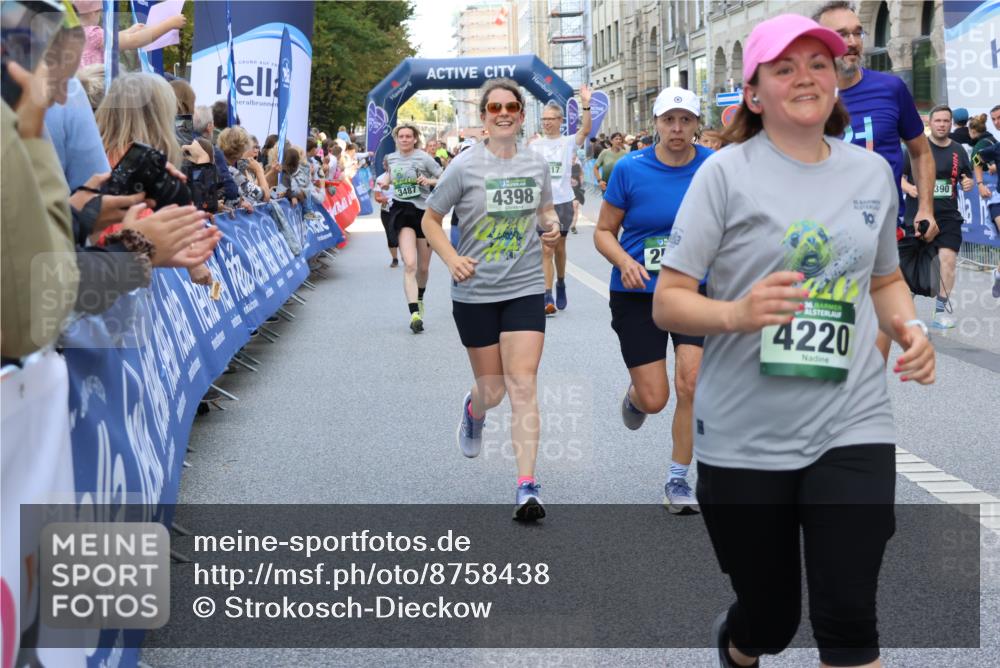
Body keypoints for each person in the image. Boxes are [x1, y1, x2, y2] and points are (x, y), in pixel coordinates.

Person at [652, 15, 935, 668]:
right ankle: (740, 641)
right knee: (772, 620)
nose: (807, 76)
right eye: (785, 67)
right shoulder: (723, 175)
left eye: (819, 63)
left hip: (852, 423)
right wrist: (739, 313)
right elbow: (669, 301)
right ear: (754, 94)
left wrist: (909, 327)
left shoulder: (870, 174)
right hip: (745, 435)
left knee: (849, 618)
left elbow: (886, 280)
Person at [421, 79, 560, 521]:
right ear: (483, 117)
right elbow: (430, 219)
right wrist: (450, 259)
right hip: (475, 292)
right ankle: (474, 409)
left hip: (522, 287)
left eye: (512, 107)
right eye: (494, 107)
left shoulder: (536, 165)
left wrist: (551, 225)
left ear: (522, 116)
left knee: (522, 384)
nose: (503, 113)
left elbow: (545, 211)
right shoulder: (463, 167)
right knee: (494, 390)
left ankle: (526, 486)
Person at [593, 87, 713, 514]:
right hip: (637, 291)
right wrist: (624, 260)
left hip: (693, 289)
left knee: (692, 382)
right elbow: (604, 232)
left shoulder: (714, 167)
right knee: (657, 398)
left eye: (685, 120)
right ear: (656, 123)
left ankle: (678, 480)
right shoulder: (630, 168)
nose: (677, 129)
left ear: (697, 124)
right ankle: (636, 398)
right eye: (669, 120)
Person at [814, 0, 939, 359]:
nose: (852, 41)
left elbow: (921, 151)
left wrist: (924, 207)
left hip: (881, 240)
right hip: (818, 243)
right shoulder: (804, 96)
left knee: (869, 364)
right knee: (823, 366)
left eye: (857, 32)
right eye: (841, 34)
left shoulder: (891, 89)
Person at [901, 106, 974, 329]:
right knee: (908, 265)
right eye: (938, 121)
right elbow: (899, 177)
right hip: (918, 215)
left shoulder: (958, 150)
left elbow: (966, 176)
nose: (942, 124)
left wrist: (968, 182)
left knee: (948, 259)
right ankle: (904, 304)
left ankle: (941, 311)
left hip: (948, 216)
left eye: (946, 121)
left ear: (951, 124)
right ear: (930, 124)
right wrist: (909, 188)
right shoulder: (916, 148)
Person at [530, 86, 592, 314]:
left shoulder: (567, 142)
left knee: (559, 248)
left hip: (564, 201)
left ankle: (561, 283)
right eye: (543, 119)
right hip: (542, 205)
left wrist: (586, 103)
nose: (546, 123)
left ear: (560, 120)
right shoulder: (534, 145)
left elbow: (586, 129)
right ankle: (547, 296)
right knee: (546, 248)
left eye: (550, 119)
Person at [384, 123, 442, 333]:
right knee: (410, 264)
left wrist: (428, 180)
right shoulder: (391, 158)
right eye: (402, 136)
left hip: (424, 213)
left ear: (415, 139)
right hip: (402, 211)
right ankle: (414, 313)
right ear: (397, 139)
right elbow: (390, 176)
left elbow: (444, 177)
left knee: (423, 268)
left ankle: (420, 296)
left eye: (409, 136)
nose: (405, 139)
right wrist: (384, 183)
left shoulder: (424, 158)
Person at [372, 158, 400, 267]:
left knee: (402, 233)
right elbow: (377, 197)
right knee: (390, 234)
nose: (388, 166)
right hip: (387, 210)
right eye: (386, 164)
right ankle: (395, 259)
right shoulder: (380, 179)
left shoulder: (400, 177)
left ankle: (406, 255)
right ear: (384, 166)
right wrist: (382, 199)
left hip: (400, 209)